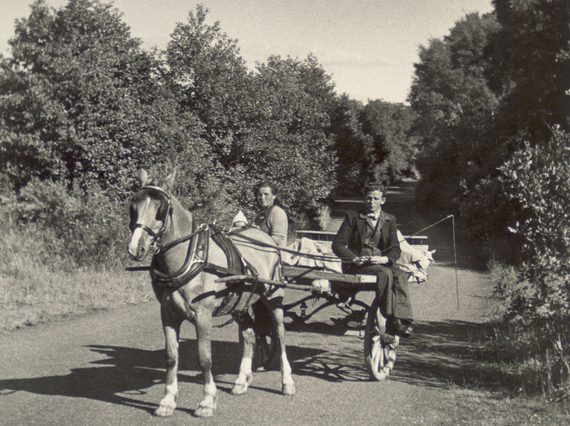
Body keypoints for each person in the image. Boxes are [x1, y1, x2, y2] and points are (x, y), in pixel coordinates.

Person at [332, 184, 414, 337]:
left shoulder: (389, 220)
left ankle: (403, 319)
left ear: (383, 201)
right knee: (385, 273)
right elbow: (337, 244)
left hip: (381, 262)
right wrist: (354, 258)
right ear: (365, 199)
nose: (371, 202)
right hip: (359, 265)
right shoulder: (353, 217)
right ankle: (390, 318)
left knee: (400, 274)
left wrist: (385, 258)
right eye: (368, 198)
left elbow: (395, 248)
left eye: (376, 198)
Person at [253, 182, 289, 247]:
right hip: (259, 253)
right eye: (259, 195)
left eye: (266, 194)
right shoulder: (259, 214)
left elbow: (276, 240)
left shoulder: (278, 213)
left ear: (274, 196)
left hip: (275, 254)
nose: (262, 197)